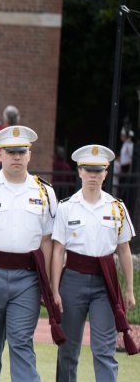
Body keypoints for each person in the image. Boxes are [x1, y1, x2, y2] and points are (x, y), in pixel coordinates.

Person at [0, 125, 63, 382]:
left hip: (27, 279)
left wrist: (48, 284)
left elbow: (48, 241)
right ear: (0, 155)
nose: (17, 156)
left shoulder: (45, 192)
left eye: (22, 151)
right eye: (10, 151)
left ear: (29, 155)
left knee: (21, 342)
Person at [51, 145, 137, 381]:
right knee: (68, 349)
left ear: (106, 173)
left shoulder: (117, 207)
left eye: (98, 170)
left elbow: (124, 249)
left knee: (104, 350)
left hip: (104, 283)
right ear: (79, 171)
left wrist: (129, 289)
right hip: (73, 280)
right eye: (88, 169)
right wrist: (54, 288)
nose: (93, 175)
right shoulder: (66, 207)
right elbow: (58, 250)